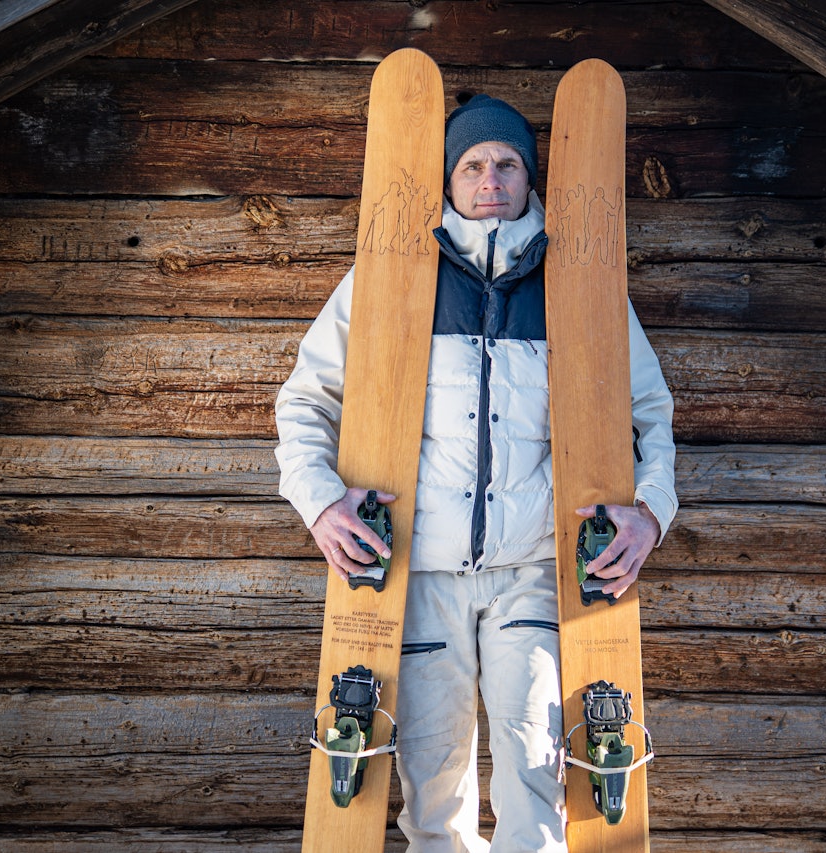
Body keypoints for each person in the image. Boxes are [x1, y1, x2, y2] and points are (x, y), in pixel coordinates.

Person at [275, 92, 677, 853]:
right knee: (433, 791)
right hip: (420, 575)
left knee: (536, 778)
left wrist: (651, 508)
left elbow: (650, 411)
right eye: (472, 164)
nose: (490, 178)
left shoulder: (578, 287)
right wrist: (321, 503)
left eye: (507, 163)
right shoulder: (391, 280)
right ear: (449, 181)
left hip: (530, 572)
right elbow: (302, 401)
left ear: (530, 180)